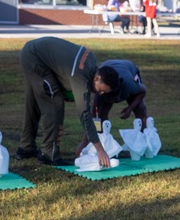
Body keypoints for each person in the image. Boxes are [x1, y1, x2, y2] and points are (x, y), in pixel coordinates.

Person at [16, 36, 112, 168]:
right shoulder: (81, 76)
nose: (100, 94)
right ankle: (48, 154)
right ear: (98, 77)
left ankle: (26, 147)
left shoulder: (91, 61)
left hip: (32, 51)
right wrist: (100, 150)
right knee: (54, 103)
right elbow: (84, 114)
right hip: (35, 58)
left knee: (33, 103)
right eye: (102, 90)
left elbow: (64, 75)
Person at [77, 59, 149, 156]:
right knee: (100, 116)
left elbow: (143, 91)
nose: (113, 103)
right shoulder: (101, 90)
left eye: (115, 99)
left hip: (129, 68)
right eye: (110, 100)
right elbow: (94, 118)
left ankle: (145, 142)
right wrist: (85, 141)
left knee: (140, 109)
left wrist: (130, 108)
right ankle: (103, 144)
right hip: (107, 70)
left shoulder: (129, 85)